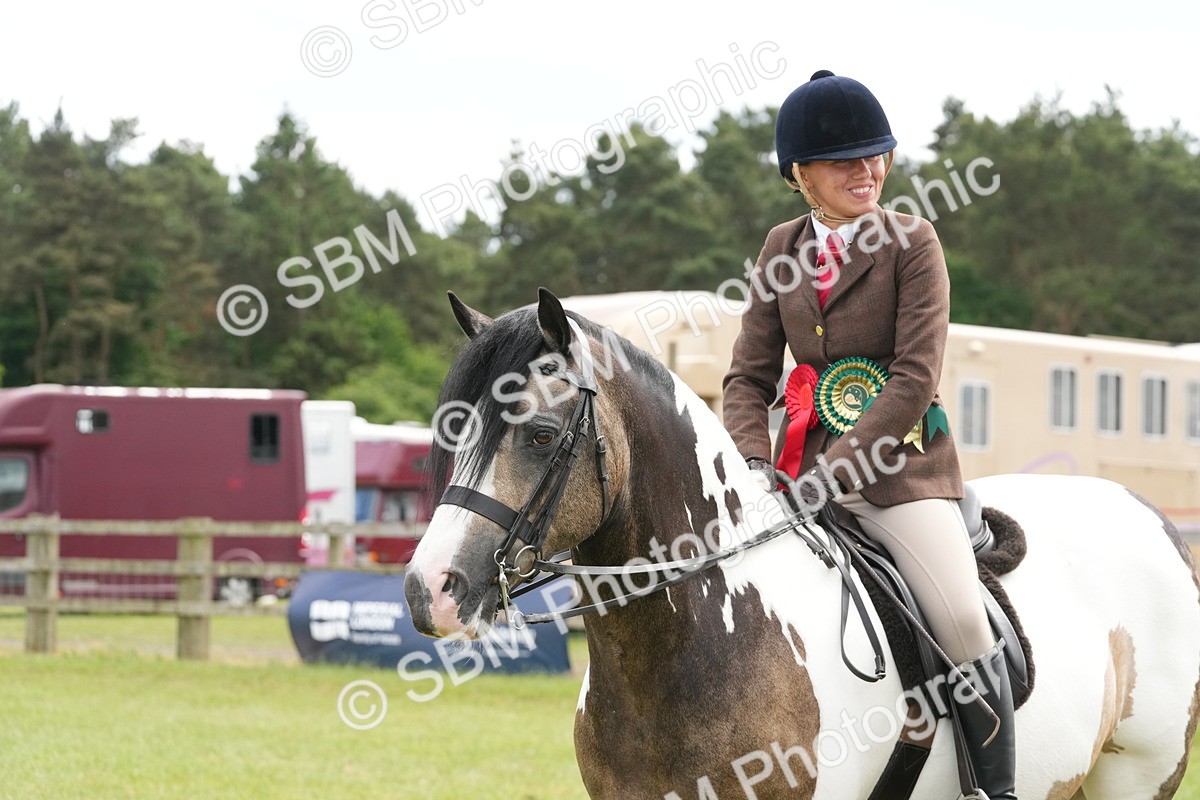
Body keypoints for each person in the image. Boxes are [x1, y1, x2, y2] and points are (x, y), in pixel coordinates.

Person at [721, 70, 1018, 799]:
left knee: (960, 620)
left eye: (877, 155)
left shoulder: (913, 241)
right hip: (791, 480)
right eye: (845, 161)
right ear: (800, 175)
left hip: (900, 477)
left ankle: (995, 789)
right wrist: (757, 465)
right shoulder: (778, 247)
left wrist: (831, 475)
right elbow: (747, 380)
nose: (868, 171)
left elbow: (914, 380)